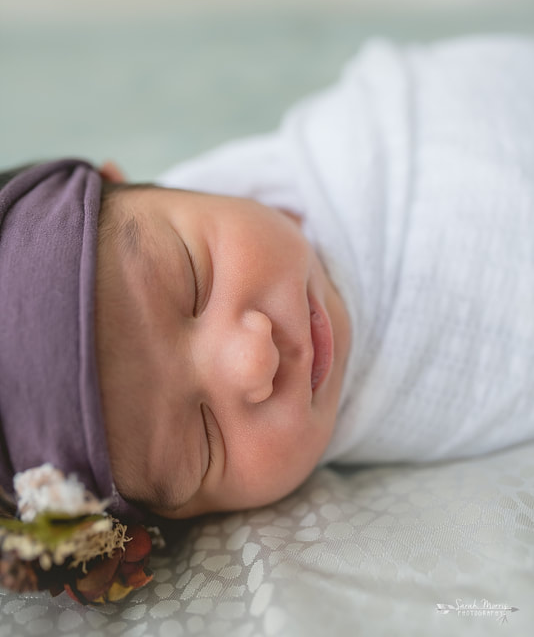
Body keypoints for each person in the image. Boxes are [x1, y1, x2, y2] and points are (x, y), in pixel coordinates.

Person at [1, 34, 534, 528]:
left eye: (194, 280)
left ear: (139, 182)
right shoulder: (432, 391)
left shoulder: (375, 138)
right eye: (204, 442)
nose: (256, 360)